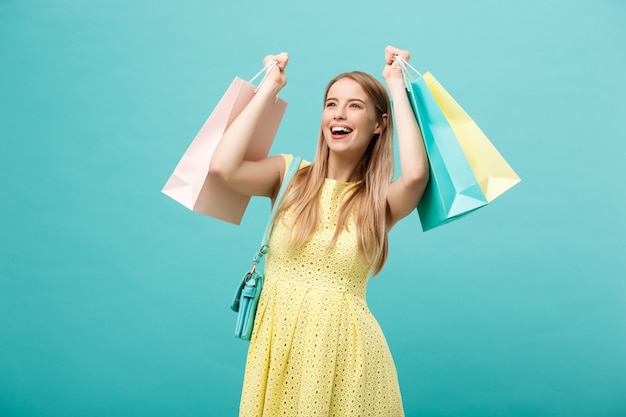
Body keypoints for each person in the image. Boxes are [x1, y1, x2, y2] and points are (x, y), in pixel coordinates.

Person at [210, 45, 429, 417]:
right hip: (278, 353)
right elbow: (223, 168)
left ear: (379, 124)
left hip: (348, 361)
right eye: (331, 104)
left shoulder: (378, 201)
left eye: (355, 105)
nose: (339, 114)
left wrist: (395, 84)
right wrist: (270, 87)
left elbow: (416, 175)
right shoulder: (288, 175)